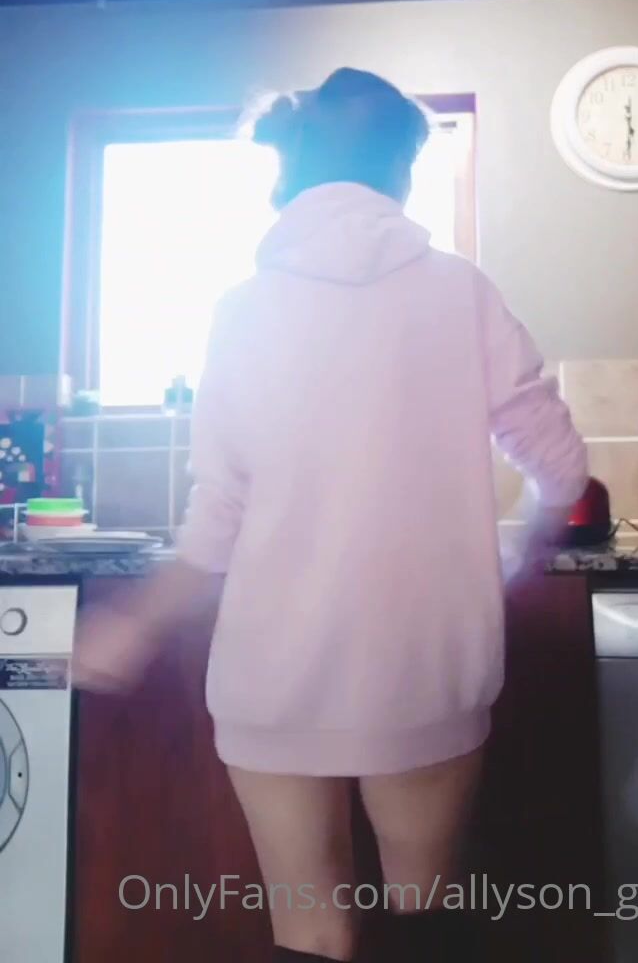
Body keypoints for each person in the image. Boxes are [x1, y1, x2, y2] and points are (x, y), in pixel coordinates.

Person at [73, 67, 588, 962]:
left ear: (293, 167)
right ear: (402, 172)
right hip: (424, 667)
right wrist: (536, 539)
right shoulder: (461, 290)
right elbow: (561, 464)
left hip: (274, 677)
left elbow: (218, 514)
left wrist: (136, 622)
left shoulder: (241, 311)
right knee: (426, 922)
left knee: (310, 932)